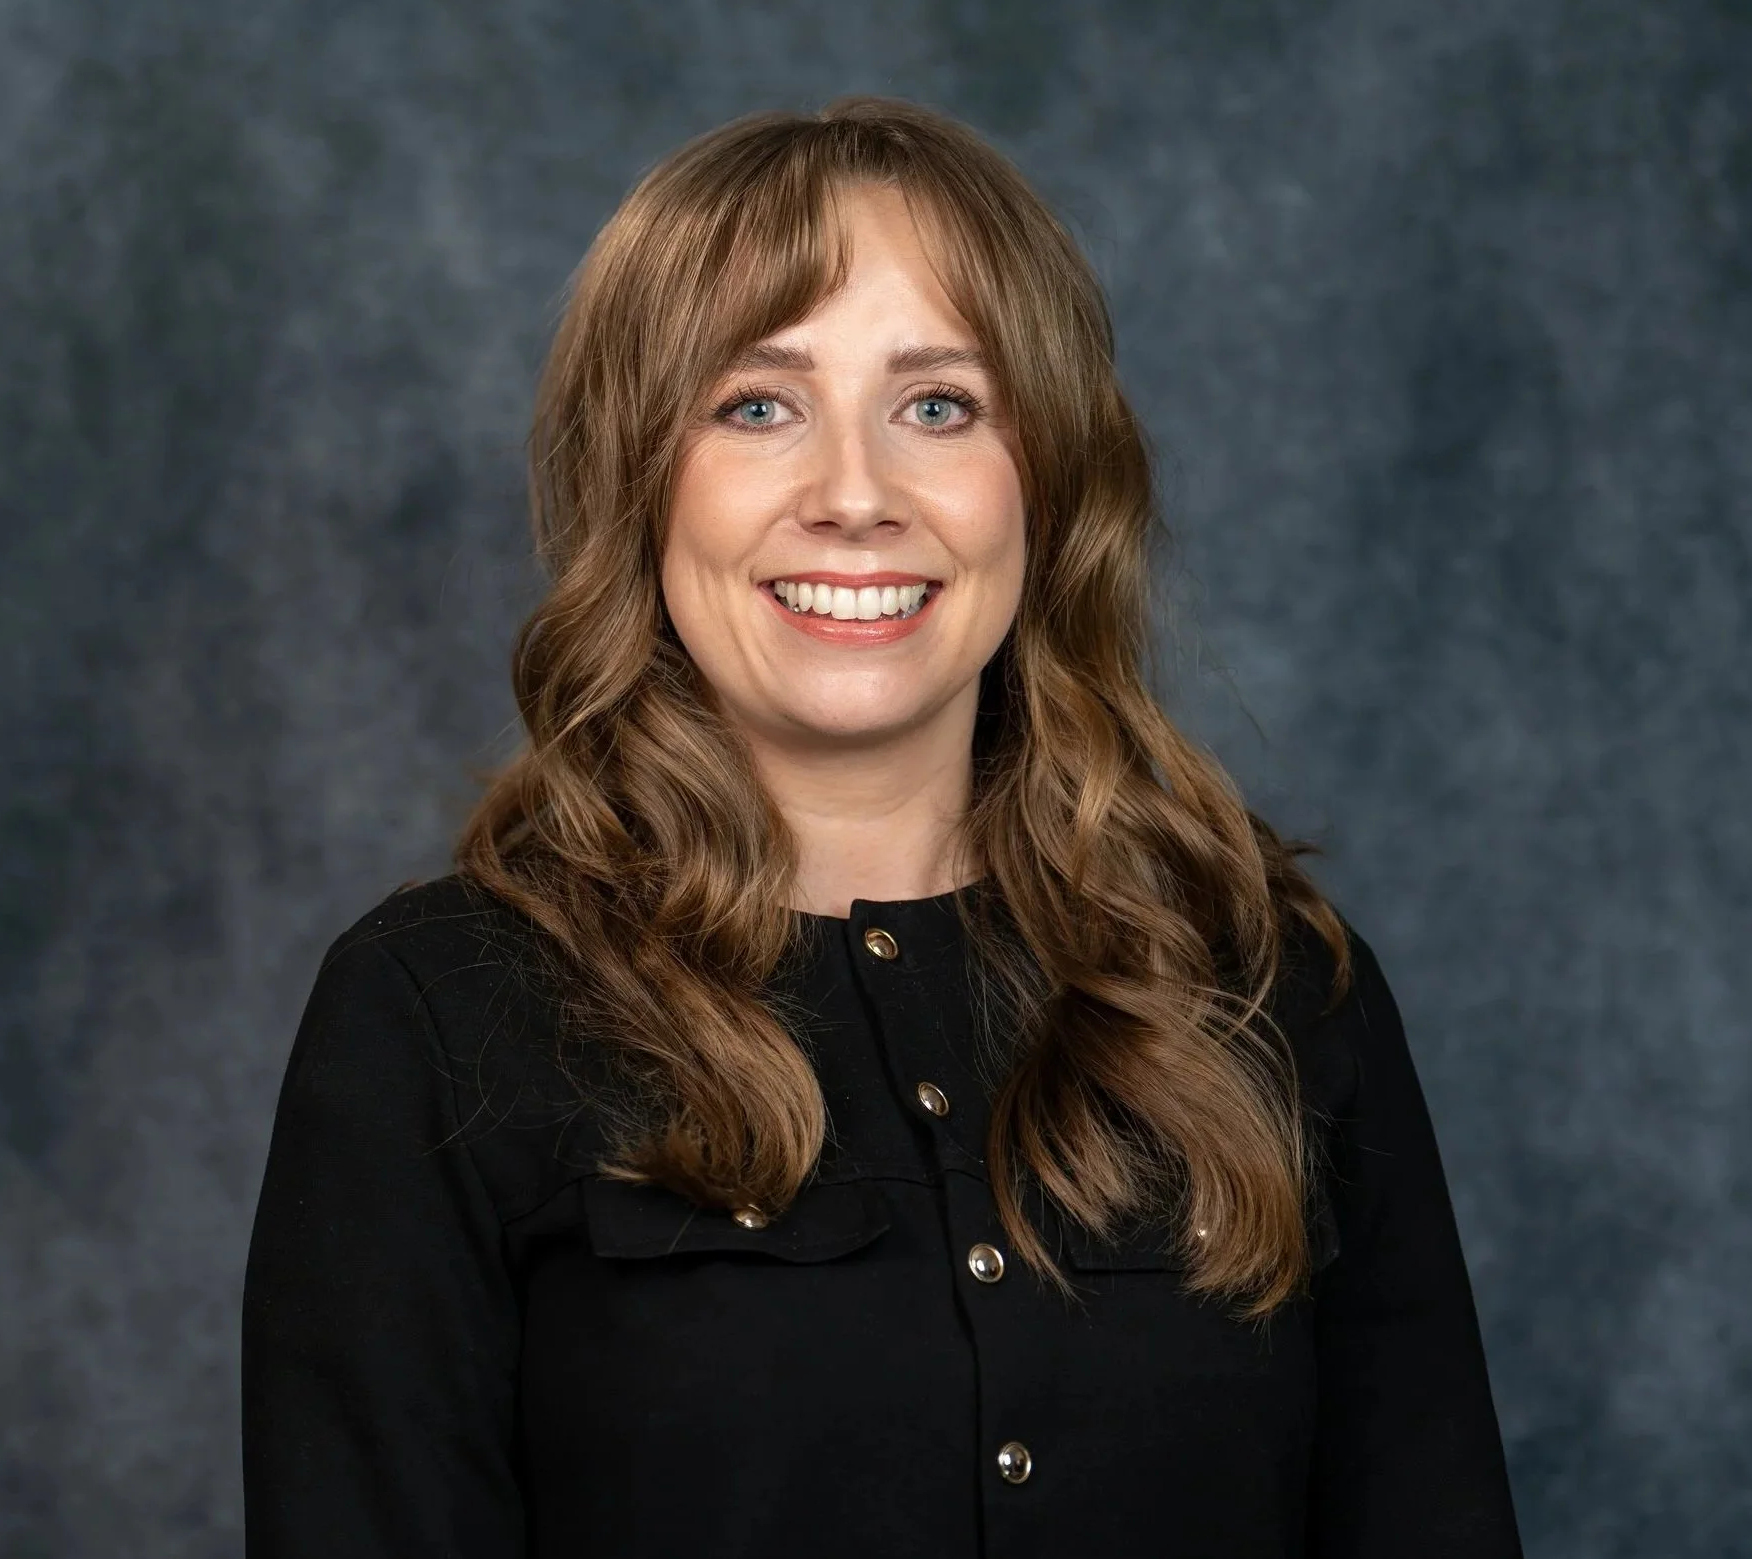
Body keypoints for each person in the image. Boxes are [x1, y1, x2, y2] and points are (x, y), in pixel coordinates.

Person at [240, 96, 1522, 1559]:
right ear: (643, 478)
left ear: (1046, 481)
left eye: (938, 406)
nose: (855, 496)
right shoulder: (433, 1017)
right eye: (757, 405)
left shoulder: (1273, 987)